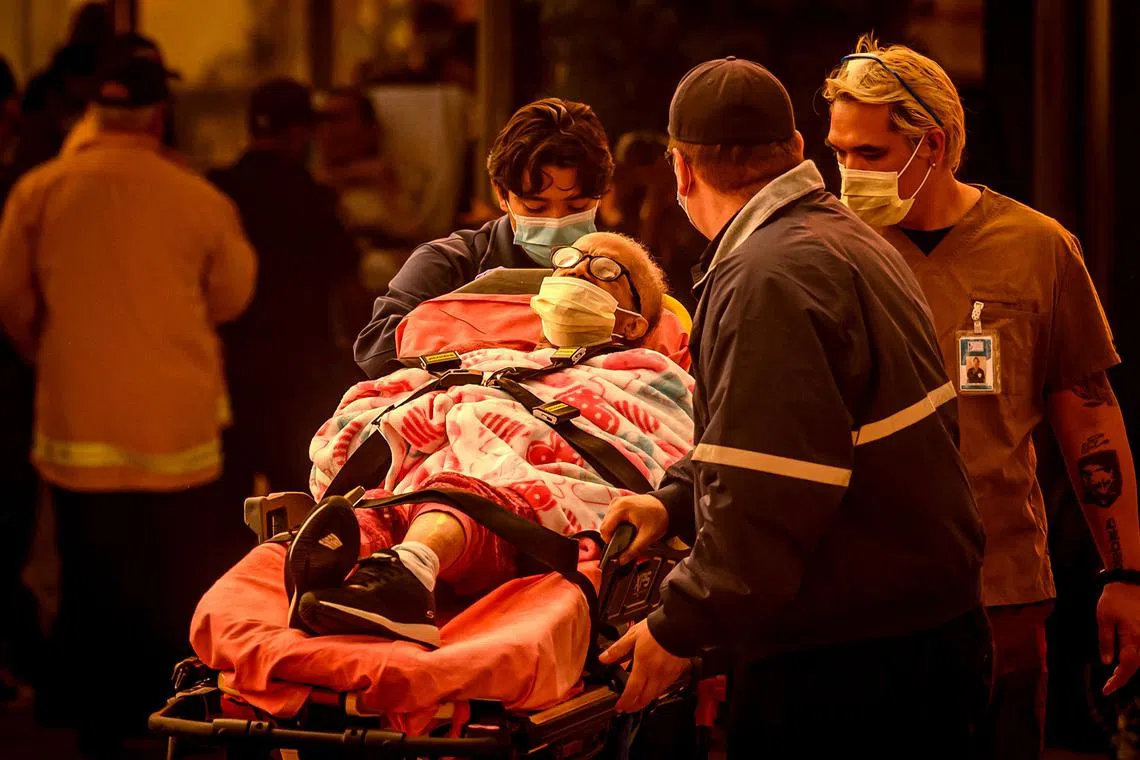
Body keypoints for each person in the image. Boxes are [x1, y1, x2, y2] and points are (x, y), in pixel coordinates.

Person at [595, 57, 990, 757]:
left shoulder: (766, 276)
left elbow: (769, 494)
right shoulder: (844, 237)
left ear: (682, 171)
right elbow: (793, 429)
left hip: (849, 667)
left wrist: (676, 627)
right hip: (923, 632)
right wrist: (676, 500)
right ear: (799, 150)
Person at [823, 35, 1140, 759]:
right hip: (854, 602)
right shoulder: (829, 251)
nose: (848, 174)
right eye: (839, 153)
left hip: (999, 590)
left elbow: (1087, 412)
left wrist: (1125, 574)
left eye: (868, 154)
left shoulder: (1037, 248)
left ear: (930, 145)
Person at [0, 36, 257, 754]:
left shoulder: (40, 191)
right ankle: (167, 705)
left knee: (87, 573)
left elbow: (12, 300)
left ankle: (91, 714)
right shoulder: (197, 197)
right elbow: (234, 295)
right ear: (157, 117)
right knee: (169, 571)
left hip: (75, 421)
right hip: (177, 428)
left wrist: (47, 354)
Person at [287, 232, 678, 647]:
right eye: (570, 261)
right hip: (415, 485)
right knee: (396, 497)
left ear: (633, 322)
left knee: (465, 487)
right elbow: (371, 412)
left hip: (521, 502)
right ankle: (348, 560)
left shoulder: (650, 375)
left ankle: (410, 569)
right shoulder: (479, 359)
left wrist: (498, 428)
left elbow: (670, 454)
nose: (579, 268)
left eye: (605, 270)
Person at [353, 97, 615, 376]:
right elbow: (376, 349)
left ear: (602, 195)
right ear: (501, 194)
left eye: (576, 207)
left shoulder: (621, 270)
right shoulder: (449, 263)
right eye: (535, 207)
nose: (555, 220)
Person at [209, 78, 361, 496]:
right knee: (295, 495)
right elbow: (346, 279)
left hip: (227, 368)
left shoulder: (216, 190)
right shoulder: (313, 198)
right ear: (298, 133)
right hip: (298, 370)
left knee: (230, 498)